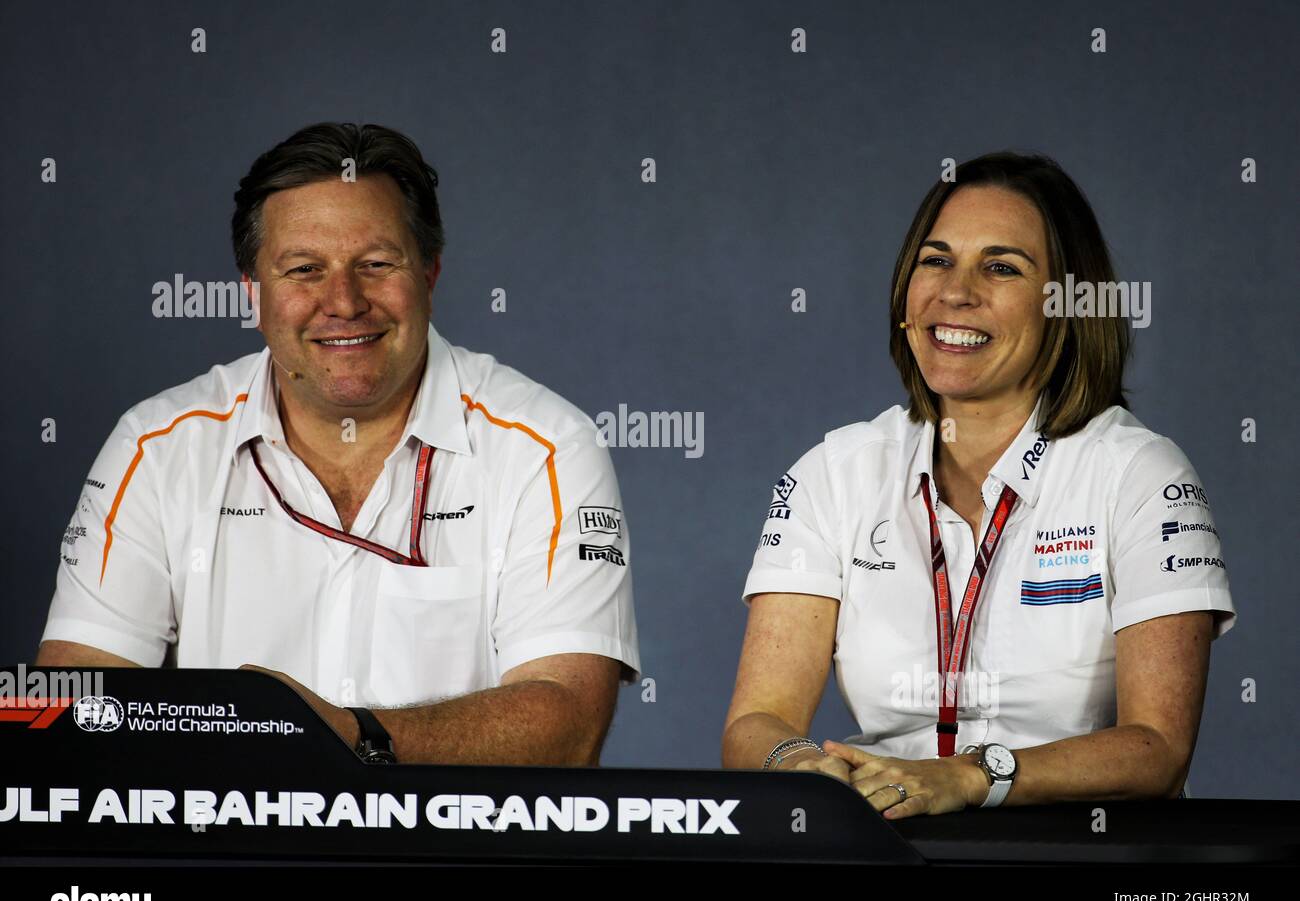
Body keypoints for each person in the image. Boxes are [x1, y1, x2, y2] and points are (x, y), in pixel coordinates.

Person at [38, 122, 639, 766]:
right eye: (304, 270)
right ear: (253, 292)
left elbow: (567, 725)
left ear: (430, 274)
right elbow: (73, 703)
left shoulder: (548, 448)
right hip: (230, 861)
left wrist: (331, 734)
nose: (344, 302)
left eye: (377, 265)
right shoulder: (154, 450)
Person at [723, 152, 1234, 819]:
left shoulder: (1140, 474)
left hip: (1081, 863)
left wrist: (971, 777)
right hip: (887, 851)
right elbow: (757, 720)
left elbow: (1159, 748)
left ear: (1068, 305)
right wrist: (805, 767)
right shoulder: (832, 472)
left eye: (1001, 267)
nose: (956, 292)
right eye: (935, 260)